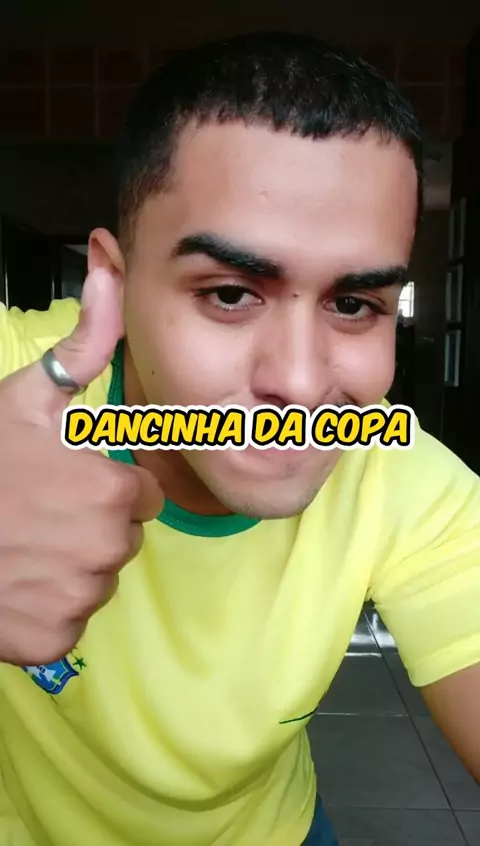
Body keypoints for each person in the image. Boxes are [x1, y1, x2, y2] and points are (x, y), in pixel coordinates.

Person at [0, 31, 478, 846]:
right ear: (114, 282)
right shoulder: (17, 378)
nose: (300, 382)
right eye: (229, 293)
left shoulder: (403, 482)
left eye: (353, 305)